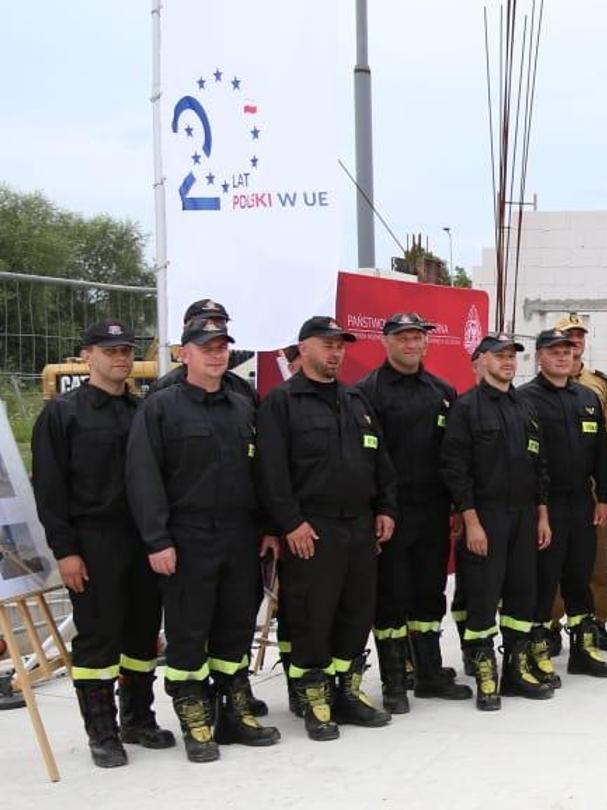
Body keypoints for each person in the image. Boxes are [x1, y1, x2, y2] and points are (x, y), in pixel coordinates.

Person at [124, 317, 281, 762]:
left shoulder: (242, 405)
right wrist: (157, 541)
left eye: (222, 346)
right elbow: (144, 478)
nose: (217, 354)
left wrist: (268, 527)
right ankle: (195, 717)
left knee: (235, 629)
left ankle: (232, 714)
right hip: (187, 537)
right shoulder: (161, 407)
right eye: (206, 346)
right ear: (184, 353)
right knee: (189, 633)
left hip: (240, 535)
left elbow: (262, 472)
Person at [33, 319, 176, 768]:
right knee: (98, 639)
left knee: (142, 634)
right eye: (110, 350)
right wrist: (66, 551)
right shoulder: (63, 414)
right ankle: (102, 732)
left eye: (126, 351)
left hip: (142, 540)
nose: (120, 358)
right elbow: (50, 490)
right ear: (86, 355)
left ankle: (138, 719)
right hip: (93, 542)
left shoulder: (141, 411)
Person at [255, 316, 398, 740]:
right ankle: (315, 699)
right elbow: (271, 472)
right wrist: (290, 523)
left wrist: (385, 508)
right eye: (327, 344)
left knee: (356, 613)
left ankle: (347, 693)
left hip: (358, 526)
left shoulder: (355, 399)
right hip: (311, 530)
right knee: (312, 616)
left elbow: (380, 461)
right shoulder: (282, 403)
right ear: (303, 348)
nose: (336, 352)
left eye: (341, 345)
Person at [353, 312, 472, 713]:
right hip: (392, 513)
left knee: (429, 593)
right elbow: (369, 458)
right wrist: (378, 508)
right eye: (403, 338)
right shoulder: (367, 391)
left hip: (434, 511)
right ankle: (393, 683)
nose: (411, 344)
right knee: (391, 597)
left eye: (417, 338)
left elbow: (453, 455)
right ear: (386, 342)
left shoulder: (441, 390)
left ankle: (429, 673)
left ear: (426, 343)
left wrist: (456, 505)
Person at [441, 334, 554, 709]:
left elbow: (539, 466)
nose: (507, 362)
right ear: (481, 361)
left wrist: (542, 516)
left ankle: (515, 670)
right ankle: (485, 671)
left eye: (511, 356)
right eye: (499, 356)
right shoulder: (466, 407)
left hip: (525, 515)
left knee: (523, 592)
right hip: (486, 515)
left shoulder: (523, 406)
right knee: (483, 594)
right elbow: (456, 470)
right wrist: (471, 522)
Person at [518, 329, 607, 682]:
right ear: (539, 357)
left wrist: (604, 497)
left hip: (582, 502)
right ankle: (537, 650)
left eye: (568, 351)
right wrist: (539, 508)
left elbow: (601, 457)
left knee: (581, 577)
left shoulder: (587, 398)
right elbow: (526, 461)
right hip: (546, 505)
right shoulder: (525, 399)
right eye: (554, 351)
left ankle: (583, 650)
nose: (563, 357)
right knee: (544, 581)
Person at [549, 315, 607, 652]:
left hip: (589, 487)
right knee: (554, 562)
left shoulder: (598, 385)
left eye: (578, 337)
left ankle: (596, 623)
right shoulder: (536, 392)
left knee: (595, 563)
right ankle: (550, 625)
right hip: (554, 491)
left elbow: (606, 445)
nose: (574, 343)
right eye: (567, 338)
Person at [148, 299, 259, 400]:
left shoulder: (243, 390)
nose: (212, 327)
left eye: (219, 323)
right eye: (205, 322)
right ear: (187, 327)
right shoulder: (162, 392)